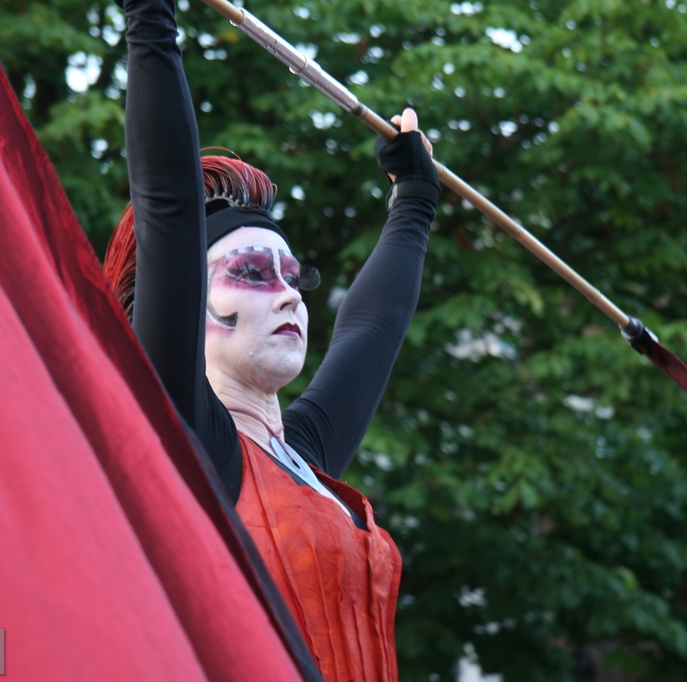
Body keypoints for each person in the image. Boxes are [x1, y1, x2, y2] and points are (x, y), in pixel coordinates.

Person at [106, 0, 439, 679]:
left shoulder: (306, 459)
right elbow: (166, 205)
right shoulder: (191, 436)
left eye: (295, 276)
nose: (290, 293)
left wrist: (415, 199)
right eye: (254, 273)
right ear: (191, 301)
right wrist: (150, 17)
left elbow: (372, 328)